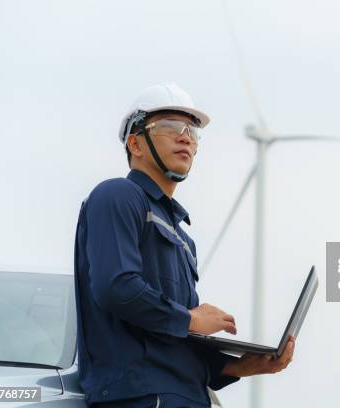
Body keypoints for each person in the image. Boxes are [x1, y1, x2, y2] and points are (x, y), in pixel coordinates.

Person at [73, 82, 296, 408]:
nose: (185, 137)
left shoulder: (182, 237)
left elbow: (173, 340)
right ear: (135, 144)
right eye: (168, 126)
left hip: (186, 397)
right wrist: (191, 319)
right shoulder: (117, 196)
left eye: (192, 130)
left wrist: (247, 365)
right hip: (142, 397)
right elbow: (116, 287)